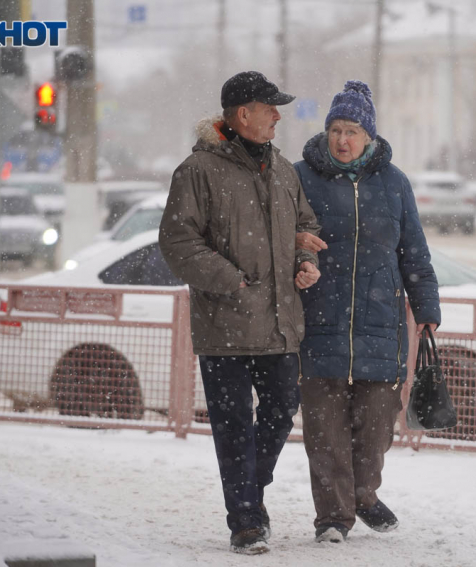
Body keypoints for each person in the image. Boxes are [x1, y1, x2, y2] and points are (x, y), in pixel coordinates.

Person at [158, 71, 322, 555]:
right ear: (241, 114)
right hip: (225, 325)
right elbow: (178, 241)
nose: (277, 117)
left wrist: (306, 259)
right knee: (233, 428)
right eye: (269, 108)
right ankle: (246, 520)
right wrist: (231, 279)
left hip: (280, 324)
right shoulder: (199, 170)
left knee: (278, 414)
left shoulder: (284, 169)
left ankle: (250, 489)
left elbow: (304, 224)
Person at [293, 80, 441, 543]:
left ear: (369, 136)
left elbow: (414, 252)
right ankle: (334, 517)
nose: (342, 139)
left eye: (352, 130)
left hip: (380, 323)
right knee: (324, 431)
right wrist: (299, 260)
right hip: (320, 320)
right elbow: (282, 237)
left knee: (377, 428)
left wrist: (427, 307)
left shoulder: (394, 183)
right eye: (336, 128)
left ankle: (363, 493)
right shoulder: (300, 177)